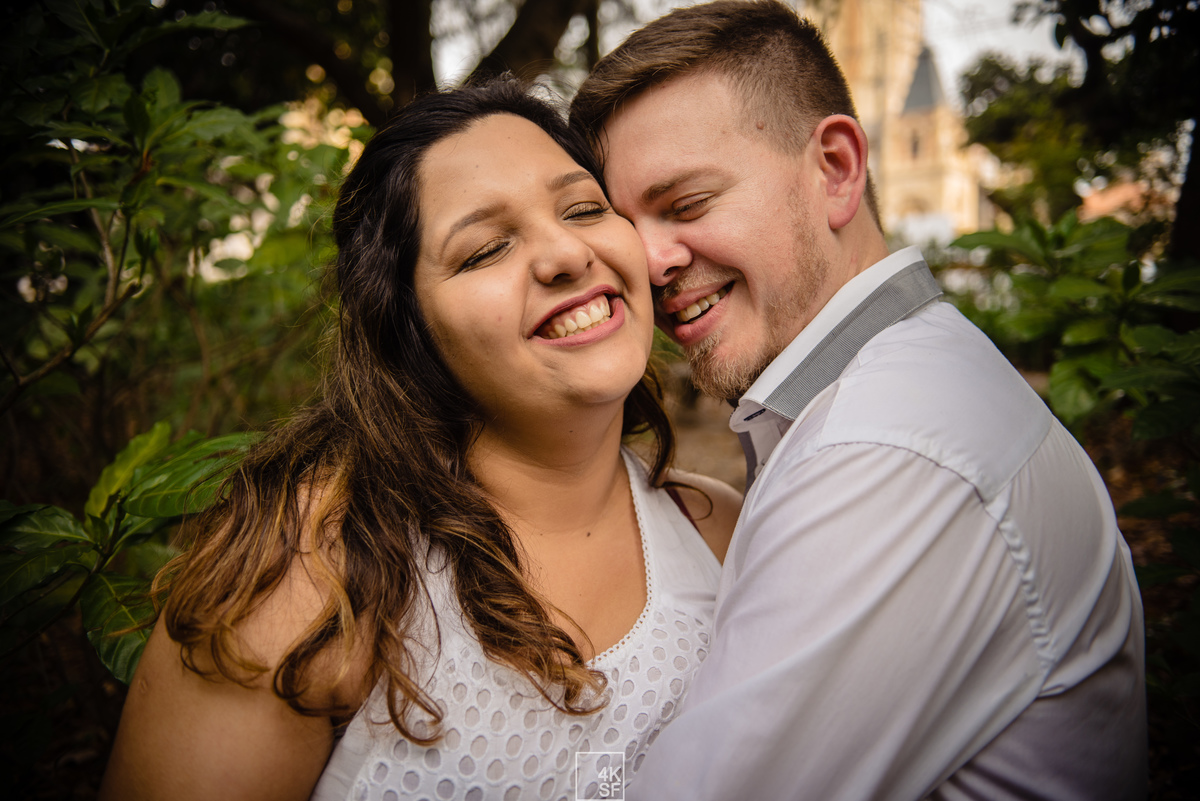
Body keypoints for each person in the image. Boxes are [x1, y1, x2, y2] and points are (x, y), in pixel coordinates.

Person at [99, 77, 740, 801]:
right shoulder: (312, 572)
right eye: (486, 249)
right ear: (410, 329)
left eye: (585, 208)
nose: (564, 253)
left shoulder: (723, 533)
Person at [569, 1, 1147, 798]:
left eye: (688, 204)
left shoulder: (885, 452)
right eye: (627, 226)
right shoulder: (905, 384)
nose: (652, 262)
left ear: (836, 168)